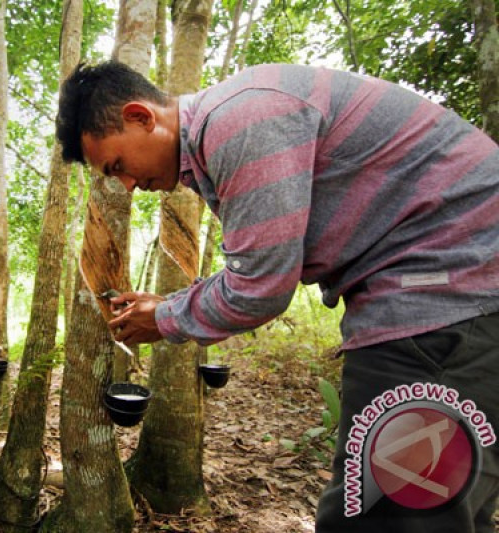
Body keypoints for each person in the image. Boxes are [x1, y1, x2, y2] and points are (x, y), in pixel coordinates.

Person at [55, 60, 499, 532]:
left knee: (385, 515)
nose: (126, 186)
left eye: (118, 166)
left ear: (141, 116)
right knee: (444, 509)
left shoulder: (238, 122)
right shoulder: (232, 121)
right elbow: (257, 265)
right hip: (460, 293)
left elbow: (259, 288)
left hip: (444, 294)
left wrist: (163, 318)